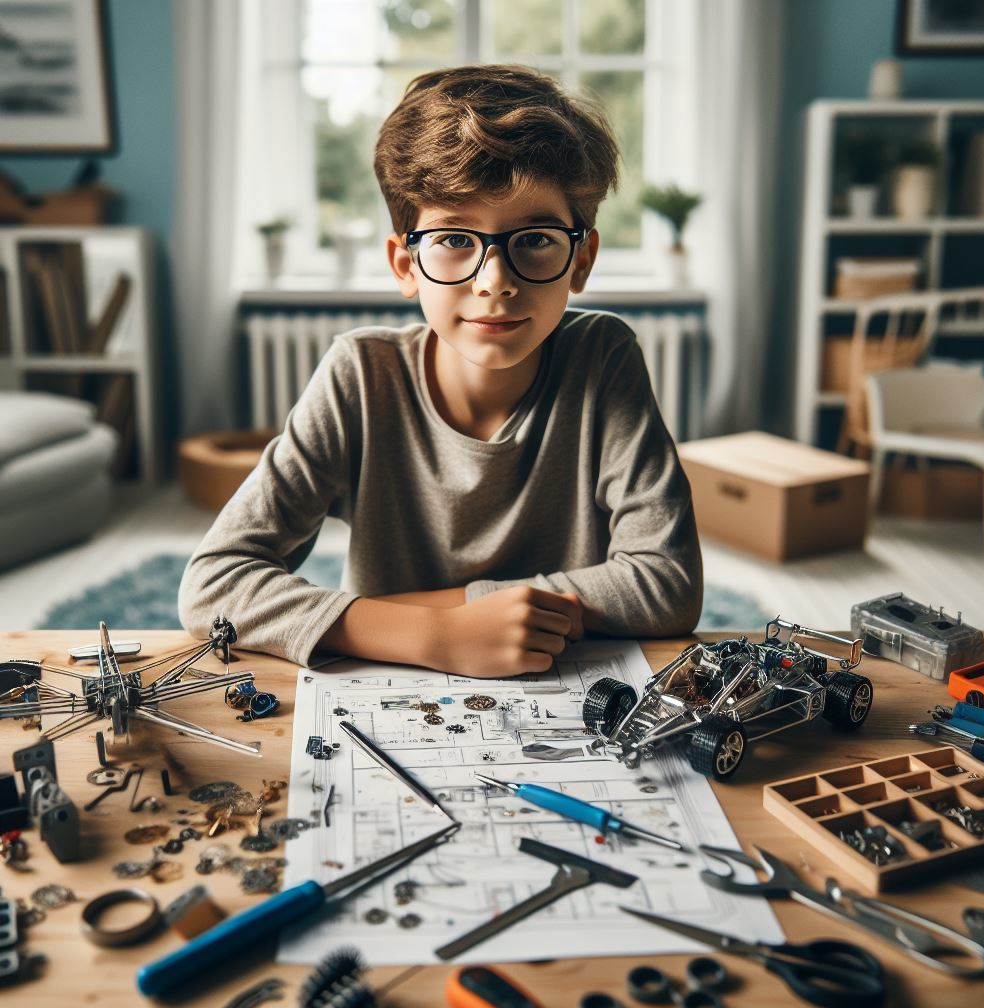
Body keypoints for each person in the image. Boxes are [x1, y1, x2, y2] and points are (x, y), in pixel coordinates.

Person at [179, 64, 702, 677]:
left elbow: (666, 583)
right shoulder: (360, 375)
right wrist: (435, 635)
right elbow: (212, 586)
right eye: (454, 238)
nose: (495, 282)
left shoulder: (603, 355)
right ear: (405, 265)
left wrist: (414, 615)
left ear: (580, 260)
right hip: (386, 687)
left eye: (534, 239)